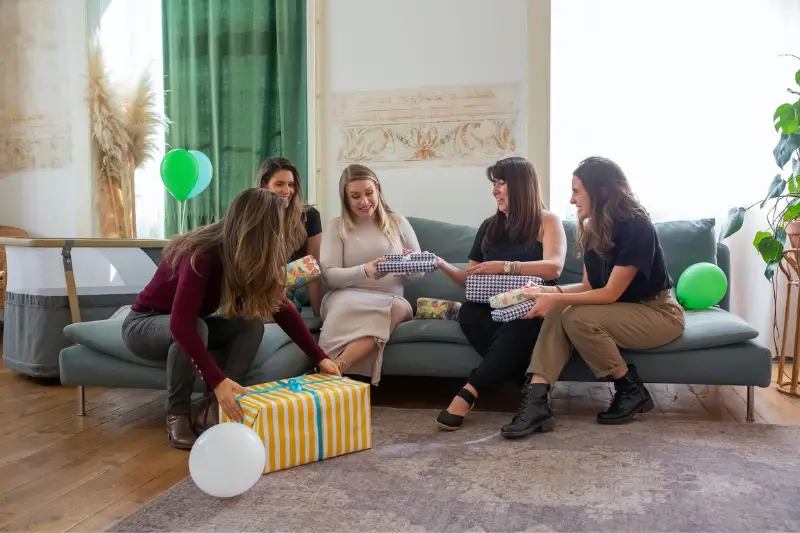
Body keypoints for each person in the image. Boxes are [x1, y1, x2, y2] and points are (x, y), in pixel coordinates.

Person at [121, 188, 340, 450]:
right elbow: (181, 323)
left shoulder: (250, 256)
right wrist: (216, 380)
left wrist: (320, 356)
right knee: (196, 327)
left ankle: (213, 405)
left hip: (187, 323)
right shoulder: (201, 254)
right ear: (257, 229)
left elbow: (280, 307)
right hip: (143, 324)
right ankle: (177, 414)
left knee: (250, 324)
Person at [500, 156, 685, 439]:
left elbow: (610, 293)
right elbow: (588, 286)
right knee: (560, 311)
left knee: (574, 315)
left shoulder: (638, 228)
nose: (571, 200)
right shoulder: (591, 228)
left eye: (576, 191)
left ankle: (629, 387)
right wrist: (545, 291)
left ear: (599, 192)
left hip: (658, 312)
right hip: (622, 310)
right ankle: (536, 400)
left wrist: (556, 299)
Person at [435, 157, 567, 430]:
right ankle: (531, 388)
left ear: (521, 185)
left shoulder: (547, 220)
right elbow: (469, 279)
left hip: (531, 305)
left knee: (521, 321)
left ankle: (469, 392)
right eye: (493, 184)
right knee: (469, 311)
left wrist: (505, 267)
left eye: (501, 183)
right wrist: (440, 263)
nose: (495, 190)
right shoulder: (489, 226)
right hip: (492, 305)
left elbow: (554, 268)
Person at [317, 164, 422, 384]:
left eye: (368, 193)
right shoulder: (336, 227)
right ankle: (338, 371)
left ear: (378, 190)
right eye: (355, 196)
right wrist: (364, 270)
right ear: (345, 199)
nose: (364, 202)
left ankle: (334, 368)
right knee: (343, 306)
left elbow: (419, 270)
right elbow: (329, 275)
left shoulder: (397, 222)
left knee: (397, 308)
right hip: (346, 296)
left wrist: (408, 267)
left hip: (390, 299)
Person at [257, 157, 323, 317]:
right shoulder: (253, 215)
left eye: (291, 185)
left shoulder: (310, 215)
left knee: (312, 266)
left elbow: (314, 264)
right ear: (265, 184)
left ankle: (319, 318)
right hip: (261, 280)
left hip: (290, 280)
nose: (287, 191)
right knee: (285, 309)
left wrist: (320, 320)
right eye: (279, 184)